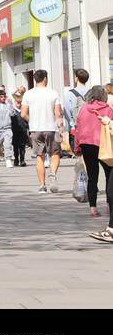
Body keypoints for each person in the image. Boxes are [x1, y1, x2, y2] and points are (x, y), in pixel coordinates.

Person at [73, 85, 113, 237]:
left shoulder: (83, 109)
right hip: (103, 145)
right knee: (109, 176)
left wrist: (77, 147)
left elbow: (78, 127)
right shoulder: (108, 109)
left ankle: (93, 208)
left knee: (92, 177)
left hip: (86, 144)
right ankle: (110, 206)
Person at [21, 70, 63, 194]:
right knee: (54, 153)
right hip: (51, 128)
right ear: (45, 78)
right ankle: (53, 174)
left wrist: (32, 121)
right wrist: (61, 129)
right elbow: (58, 114)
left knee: (40, 156)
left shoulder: (28, 94)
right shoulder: (53, 93)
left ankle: (42, 186)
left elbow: (23, 113)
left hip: (35, 129)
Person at [10, 90, 29, 167]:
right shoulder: (12, 110)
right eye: (17, 102)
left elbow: (27, 119)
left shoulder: (24, 110)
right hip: (14, 131)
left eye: (20, 102)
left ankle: (22, 160)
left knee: (22, 146)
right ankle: (16, 159)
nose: (18, 104)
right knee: (15, 146)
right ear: (14, 102)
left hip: (23, 130)